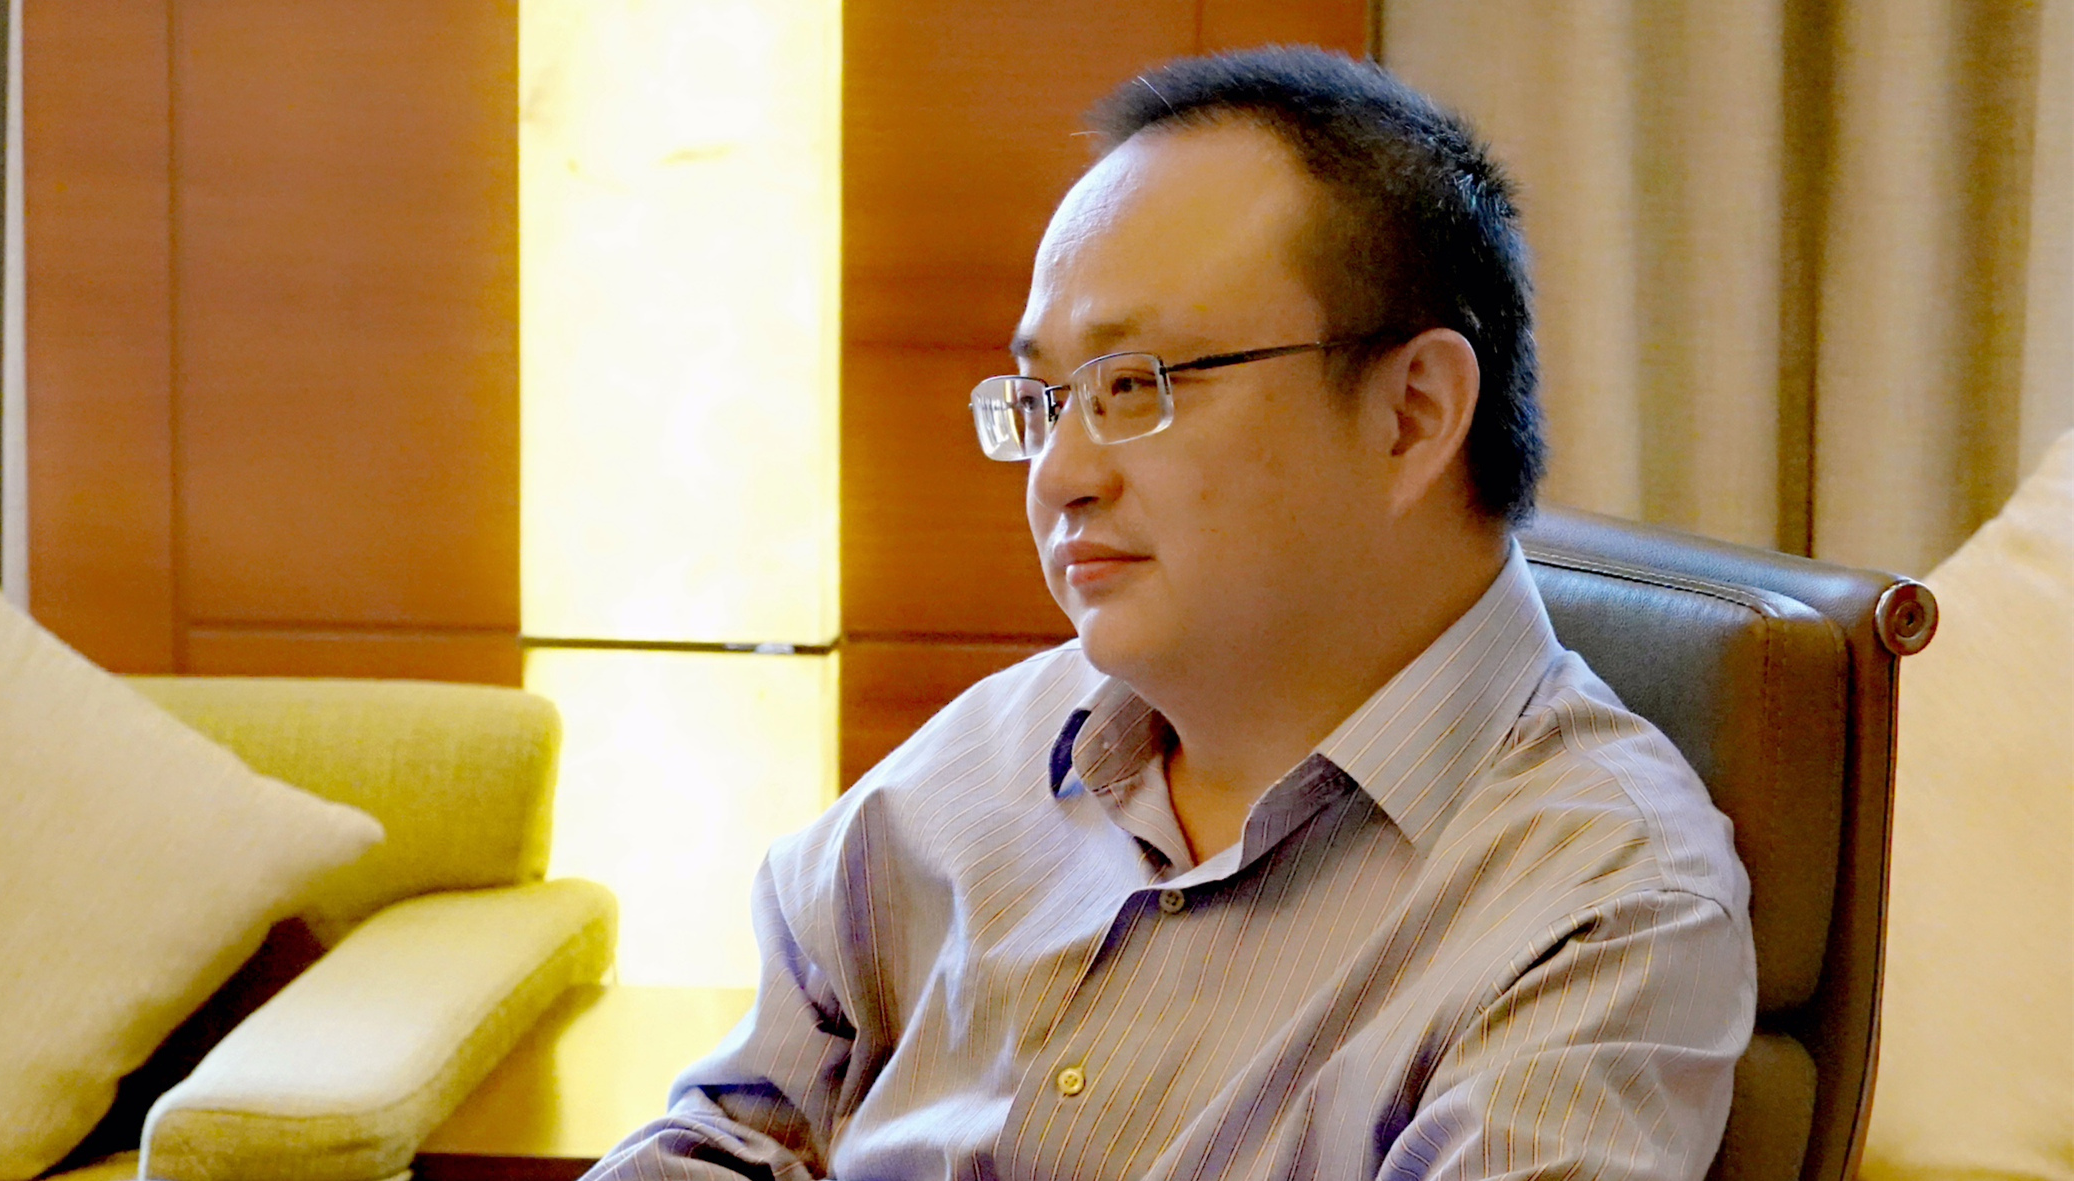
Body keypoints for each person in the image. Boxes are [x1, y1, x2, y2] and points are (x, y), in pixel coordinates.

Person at [588, 47, 1754, 1181]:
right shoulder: (997, 753)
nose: (1059, 474)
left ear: (1411, 414)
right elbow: (733, 1131)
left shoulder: (1603, 904)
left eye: (1134, 385)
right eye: (1047, 399)